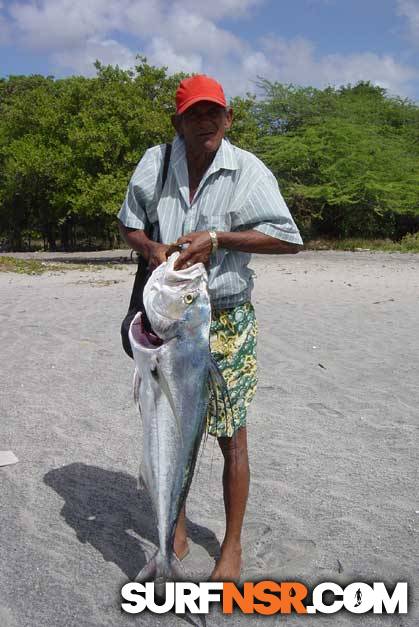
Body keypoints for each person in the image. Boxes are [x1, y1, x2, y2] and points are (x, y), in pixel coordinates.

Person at [118, 74, 303, 581]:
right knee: (169, 429)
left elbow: (288, 237)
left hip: (225, 318)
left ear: (228, 118)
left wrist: (218, 238)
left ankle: (232, 544)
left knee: (231, 437)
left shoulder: (248, 170)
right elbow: (130, 221)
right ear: (178, 122)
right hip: (168, 315)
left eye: (213, 113)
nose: (205, 121)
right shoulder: (155, 164)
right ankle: (172, 529)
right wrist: (152, 249)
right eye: (194, 114)